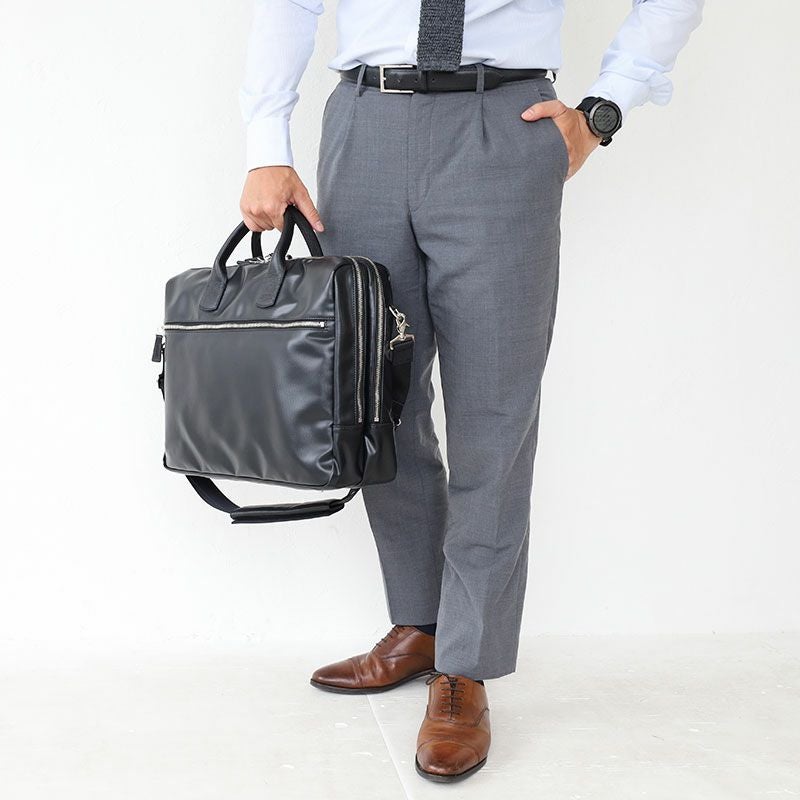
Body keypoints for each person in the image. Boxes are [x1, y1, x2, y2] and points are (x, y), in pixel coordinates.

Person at [239, 0, 703, 784]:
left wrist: (605, 107)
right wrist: (265, 144)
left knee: (494, 410)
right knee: (376, 399)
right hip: (365, 122)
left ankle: (465, 667)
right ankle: (419, 624)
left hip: (505, 125)